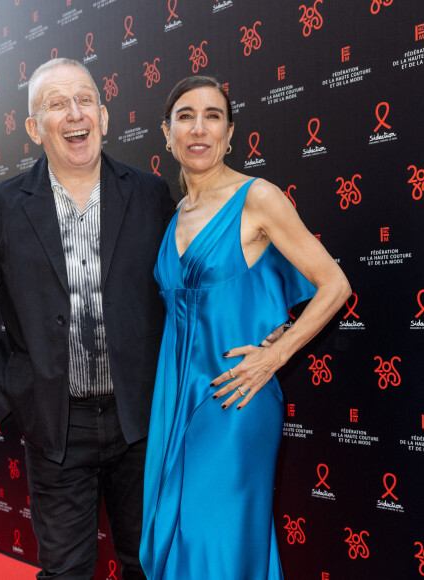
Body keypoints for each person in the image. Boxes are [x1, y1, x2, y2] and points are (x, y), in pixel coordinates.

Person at [0, 58, 175, 580]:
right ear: (34, 128)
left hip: (139, 421)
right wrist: (14, 394)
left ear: (105, 114)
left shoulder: (148, 194)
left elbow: (184, 287)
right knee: (67, 570)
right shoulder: (0, 207)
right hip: (54, 424)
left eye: (86, 99)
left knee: (149, 564)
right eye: (57, 104)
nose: (76, 113)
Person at [139, 76, 352, 579]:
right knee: (178, 538)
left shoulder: (258, 197)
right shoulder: (175, 216)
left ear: (231, 133)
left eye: (213, 116)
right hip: (174, 400)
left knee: (220, 541)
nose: (198, 128)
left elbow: (335, 285)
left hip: (234, 400)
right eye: (185, 116)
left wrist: (276, 354)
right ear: (166, 133)